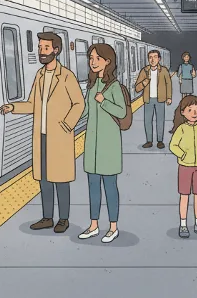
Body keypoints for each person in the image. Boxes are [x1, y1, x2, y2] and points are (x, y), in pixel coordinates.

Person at [0, 32, 84, 234]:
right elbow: (33, 104)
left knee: (61, 181)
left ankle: (63, 219)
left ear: (56, 50)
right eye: (40, 48)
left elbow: (79, 103)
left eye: (45, 48)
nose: (41, 52)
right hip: (42, 136)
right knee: (44, 179)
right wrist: (13, 107)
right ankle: (47, 217)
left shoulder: (66, 76)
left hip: (60, 136)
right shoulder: (39, 75)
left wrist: (68, 124)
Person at [77, 44, 127, 244]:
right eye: (91, 58)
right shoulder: (91, 86)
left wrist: (104, 101)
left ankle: (113, 227)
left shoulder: (114, 87)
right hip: (92, 145)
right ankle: (94, 225)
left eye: (97, 58)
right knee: (93, 187)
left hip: (109, 145)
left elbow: (122, 112)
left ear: (108, 61)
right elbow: (86, 111)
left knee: (110, 186)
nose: (93, 61)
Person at [168, 95, 197, 239]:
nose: (195, 113)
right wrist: (182, 155)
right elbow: (173, 145)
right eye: (191, 110)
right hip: (185, 167)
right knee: (185, 196)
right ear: (183, 112)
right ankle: (183, 224)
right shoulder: (181, 129)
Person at [135, 50, 172, 149]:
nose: (152, 59)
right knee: (147, 121)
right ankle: (149, 141)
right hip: (148, 100)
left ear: (159, 59)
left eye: (155, 57)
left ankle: (160, 141)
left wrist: (169, 97)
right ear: (148, 59)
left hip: (160, 99)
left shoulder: (163, 70)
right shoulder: (144, 71)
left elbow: (168, 84)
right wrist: (144, 83)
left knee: (160, 120)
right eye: (150, 57)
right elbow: (137, 88)